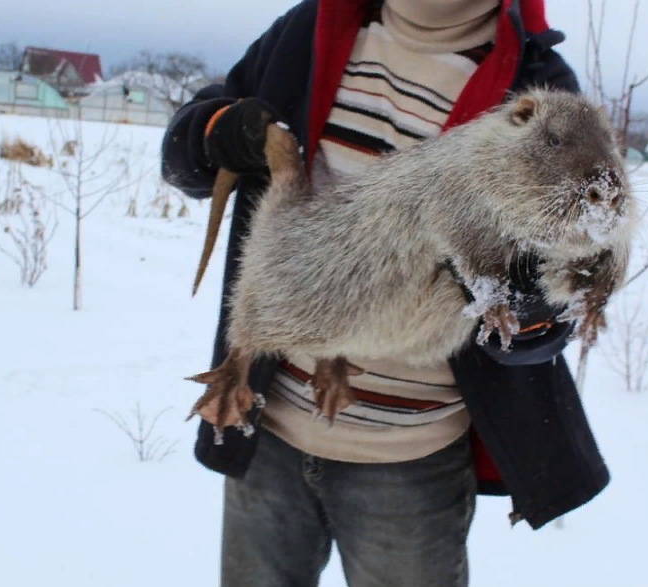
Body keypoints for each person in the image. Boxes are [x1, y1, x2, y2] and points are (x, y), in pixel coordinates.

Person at [162, 1, 610, 585]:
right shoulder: (315, 26)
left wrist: (529, 298)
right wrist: (219, 133)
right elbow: (190, 149)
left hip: (408, 462)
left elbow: (552, 312)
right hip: (267, 428)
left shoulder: (538, 87)